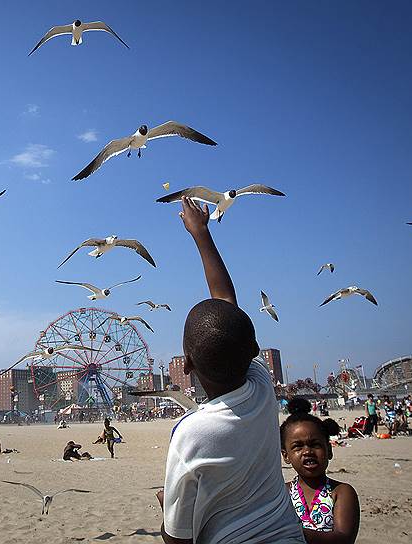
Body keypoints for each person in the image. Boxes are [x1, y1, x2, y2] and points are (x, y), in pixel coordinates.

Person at [158, 198, 305, 544]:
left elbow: (178, 539)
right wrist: (202, 232)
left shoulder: (191, 433)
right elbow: (226, 302)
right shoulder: (262, 386)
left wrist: (163, 508)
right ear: (254, 351)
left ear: (187, 366)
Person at [281, 398, 360, 543]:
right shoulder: (282, 493)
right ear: (286, 455)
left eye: (315, 444)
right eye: (298, 446)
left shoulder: (341, 492)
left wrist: (291, 533)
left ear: (329, 450)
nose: (307, 452)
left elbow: (344, 538)